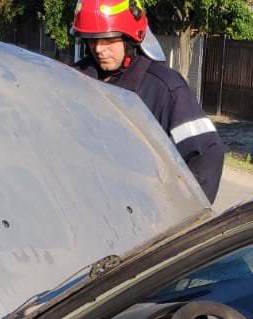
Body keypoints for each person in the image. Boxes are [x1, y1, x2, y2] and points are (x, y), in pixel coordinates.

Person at [71, 0, 225, 202]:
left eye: (108, 39)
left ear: (130, 38)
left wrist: (180, 210)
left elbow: (207, 152)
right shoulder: (74, 79)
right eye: (92, 39)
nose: (99, 49)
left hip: (138, 211)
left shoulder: (165, 88)